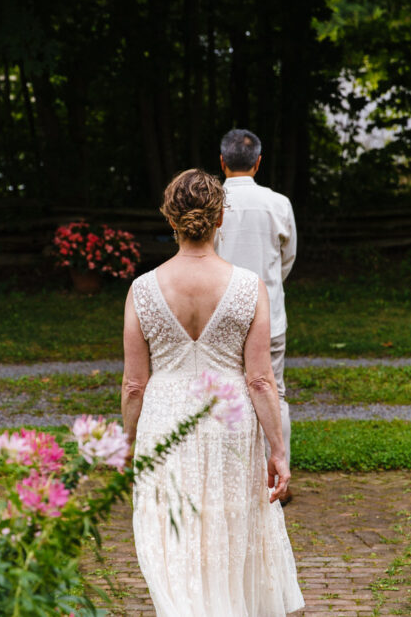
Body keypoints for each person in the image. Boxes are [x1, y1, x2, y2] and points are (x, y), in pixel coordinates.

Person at [122, 169, 304, 616]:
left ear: (171, 220)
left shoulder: (143, 290)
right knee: (229, 526)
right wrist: (278, 451)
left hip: (165, 421)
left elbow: (133, 383)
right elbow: (261, 380)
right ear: (220, 218)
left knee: (173, 533)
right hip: (229, 421)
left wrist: (128, 443)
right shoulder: (248, 287)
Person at [214, 129, 297, 505]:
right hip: (270, 313)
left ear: (222, 162)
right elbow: (287, 258)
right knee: (273, 392)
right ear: (258, 162)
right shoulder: (278, 203)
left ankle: (229, 481)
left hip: (219, 312)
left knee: (222, 391)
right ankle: (277, 479)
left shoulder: (211, 202)